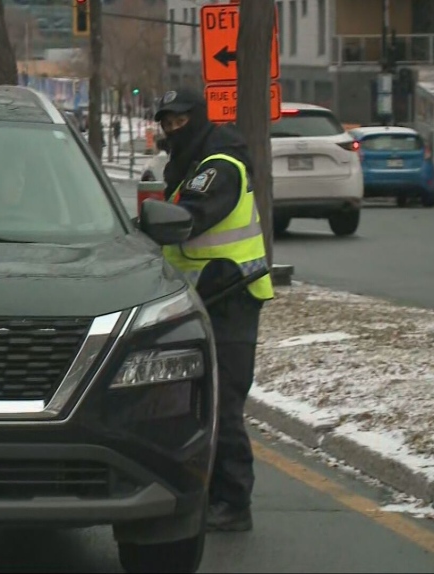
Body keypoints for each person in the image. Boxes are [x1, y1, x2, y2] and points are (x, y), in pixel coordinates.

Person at [153, 86, 274, 532]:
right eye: (167, 123)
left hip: (232, 299)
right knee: (200, 402)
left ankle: (234, 502)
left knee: (222, 403)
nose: (173, 129)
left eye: (181, 121)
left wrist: (148, 228)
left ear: (198, 119)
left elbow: (191, 216)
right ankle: (211, 494)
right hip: (205, 299)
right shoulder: (190, 163)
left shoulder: (219, 165)